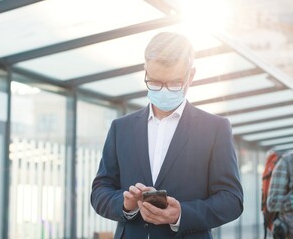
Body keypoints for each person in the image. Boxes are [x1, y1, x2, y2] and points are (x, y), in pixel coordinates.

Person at [91, 32, 243, 239]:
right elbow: (100, 191)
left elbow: (232, 200)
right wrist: (125, 204)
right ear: (145, 70)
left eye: (173, 83)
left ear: (191, 75)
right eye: (154, 82)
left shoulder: (215, 128)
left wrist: (181, 214)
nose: (163, 90)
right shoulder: (121, 128)